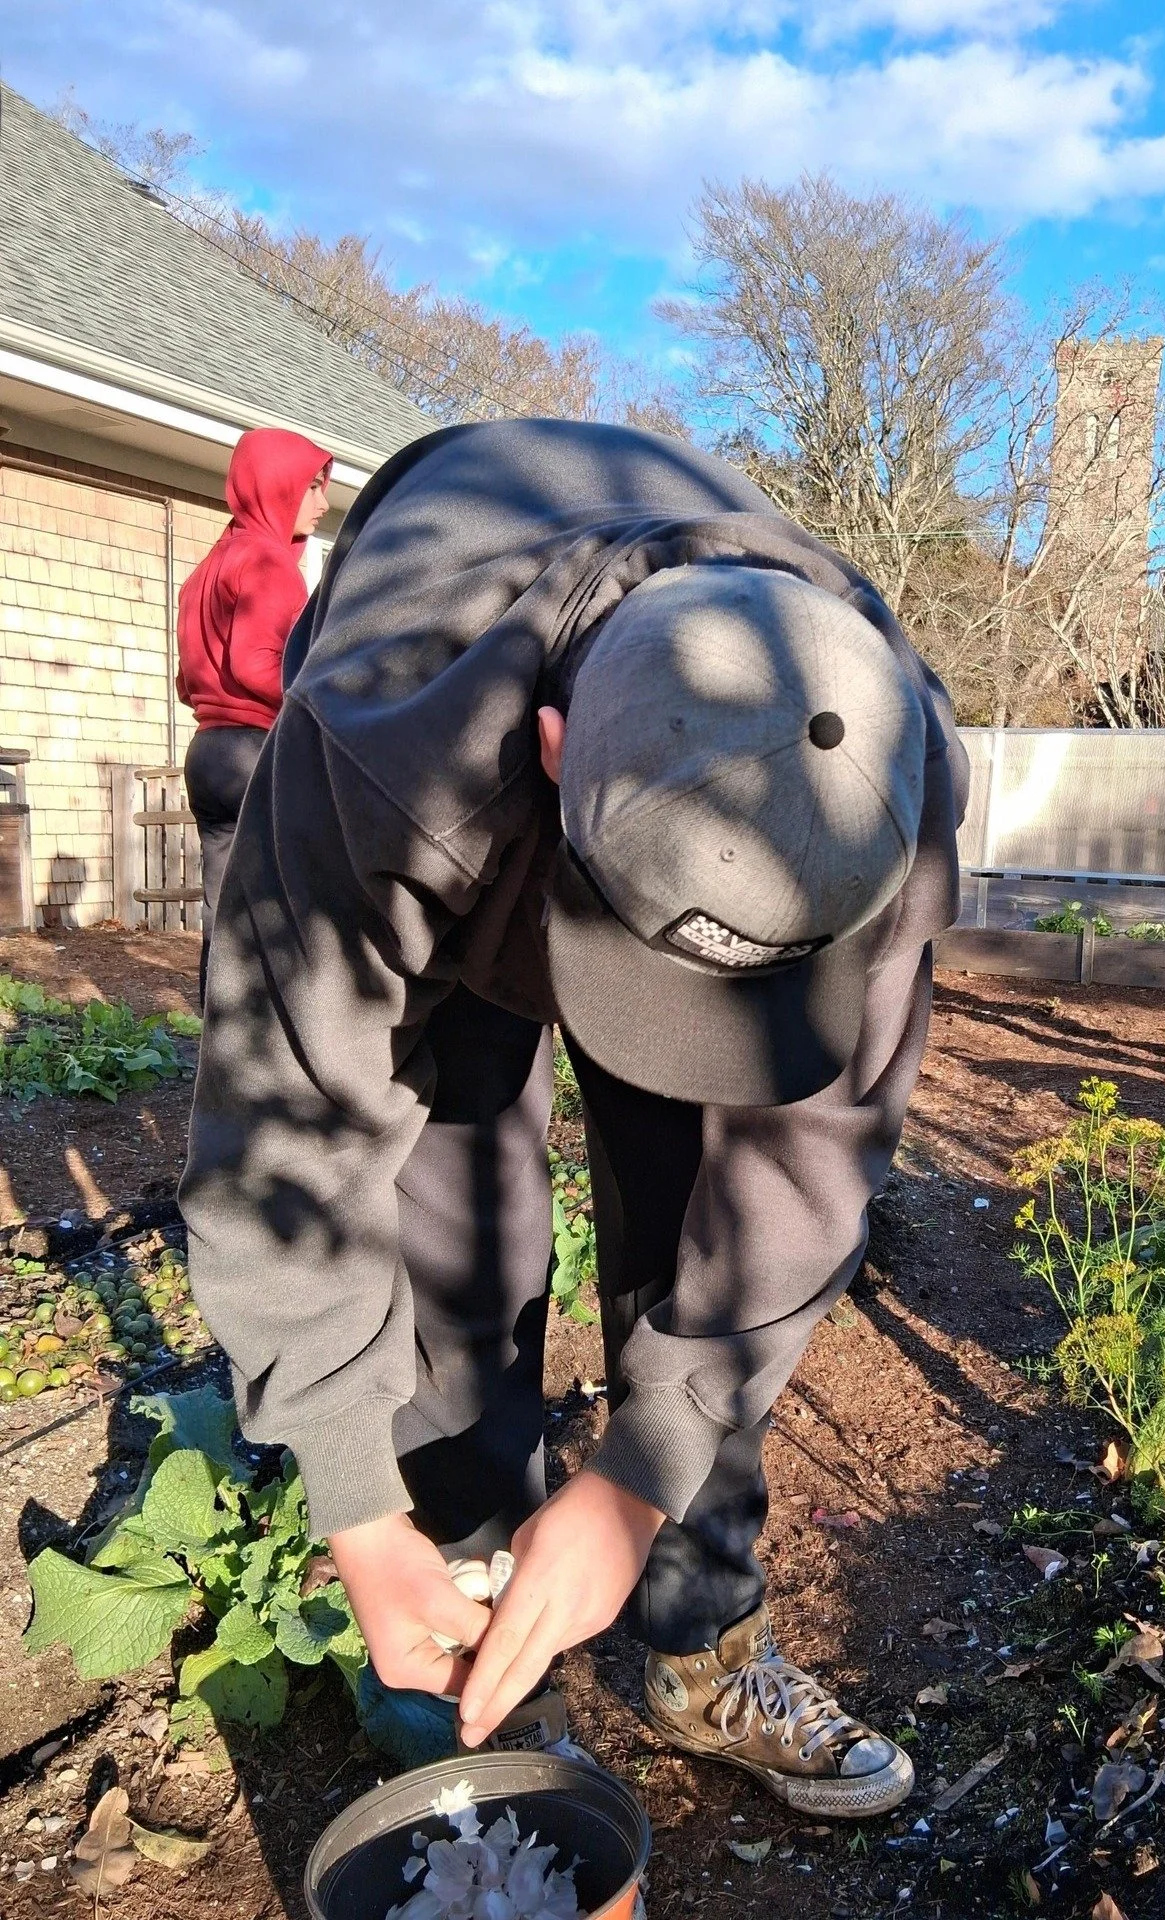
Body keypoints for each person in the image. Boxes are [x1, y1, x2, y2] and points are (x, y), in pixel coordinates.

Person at [181, 419, 967, 1818]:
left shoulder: (892, 795)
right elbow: (289, 1123)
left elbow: (810, 1163)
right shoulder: (381, 738)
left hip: (674, 819)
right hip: (461, 837)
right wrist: (354, 1499)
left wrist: (642, 1472)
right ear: (552, 751)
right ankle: (475, 1651)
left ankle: (704, 1645)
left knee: (694, 1225)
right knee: (453, 1230)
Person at [176, 426, 332, 1000]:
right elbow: (254, 665)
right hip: (255, 751)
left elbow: (186, 683)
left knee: (222, 911)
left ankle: (217, 1038)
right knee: (283, 909)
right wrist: (324, 695)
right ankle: (278, 1040)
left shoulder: (205, 571)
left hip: (207, 755)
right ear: (275, 485)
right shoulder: (268, 563)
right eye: (311, 487)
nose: (322, 503)